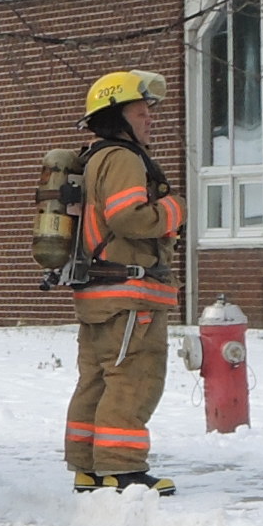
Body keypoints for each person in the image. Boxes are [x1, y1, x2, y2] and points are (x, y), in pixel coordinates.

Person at [63, 70, 187, 495]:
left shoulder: (94, 157)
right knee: (134, 379)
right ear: (117, 116)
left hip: (100, 294)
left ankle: (88, 468)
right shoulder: (123, 159)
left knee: (96, 380)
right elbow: (127, 217)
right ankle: (122, 470)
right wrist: (174, 210)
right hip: (129, 295)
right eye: (141, 111)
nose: (150, 119)